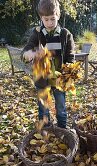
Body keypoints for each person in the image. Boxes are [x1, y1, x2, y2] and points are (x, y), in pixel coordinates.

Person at [21, 0, 75, 129]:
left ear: (58, 16)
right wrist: (29, 54)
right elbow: (26, 51)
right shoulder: (37, 33)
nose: (50, 23)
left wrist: (67, 74)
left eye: (53, 19)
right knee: (43, 108)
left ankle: (63, 129)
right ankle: (46, 129)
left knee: (61, 107)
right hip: (42, 79)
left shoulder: (65, 34)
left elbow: (70, 57)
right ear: (41, 18)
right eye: (46, 20)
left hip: (59, 80)